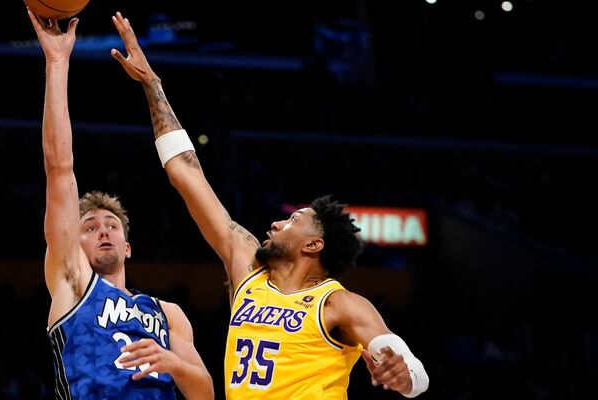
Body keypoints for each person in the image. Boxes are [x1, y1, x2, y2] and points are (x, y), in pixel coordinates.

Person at [109, 11, 429, 399]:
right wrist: (152, 84)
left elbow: (410, 369)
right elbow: (186, 174)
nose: (276, 224)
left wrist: (403, 375)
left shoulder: (340, 304)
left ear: (314, 245)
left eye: (294, 220)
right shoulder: (247, 269)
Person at [26, 10, 213, 400]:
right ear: (73, 244)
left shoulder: (168, 313)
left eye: (111, 225)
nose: (103, 230)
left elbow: (205, 393)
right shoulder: (73, 282)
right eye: (90, 227)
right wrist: (57, 63)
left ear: (128, 246)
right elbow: (60, 169)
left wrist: (172, 363)